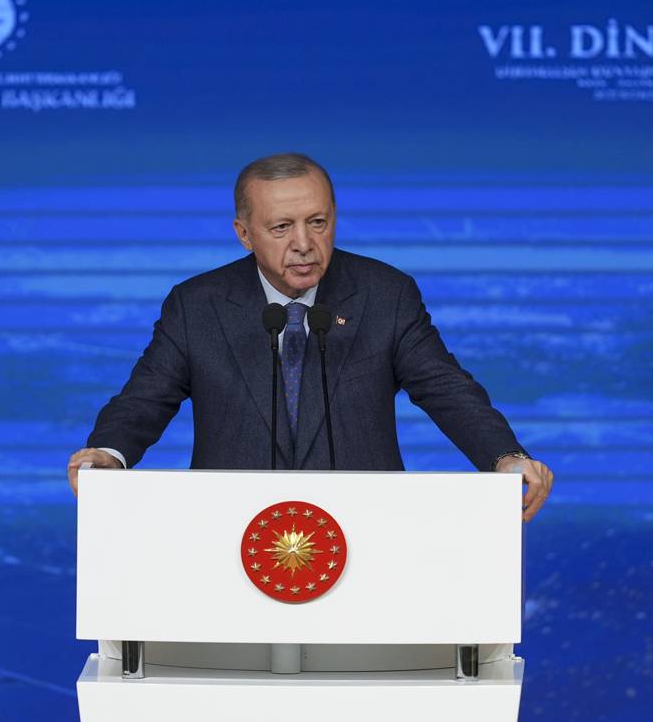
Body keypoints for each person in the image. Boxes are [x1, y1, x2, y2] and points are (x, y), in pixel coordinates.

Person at [68, 153, 553, 519]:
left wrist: (505, 457)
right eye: (282, 227)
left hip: (366, 526)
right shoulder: (197, 305)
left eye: (317, 222)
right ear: (244, 233)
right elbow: (146, 398)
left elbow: (446, 389)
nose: (304, 243)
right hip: (231, 529)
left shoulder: (385, 295)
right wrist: (109, 453)